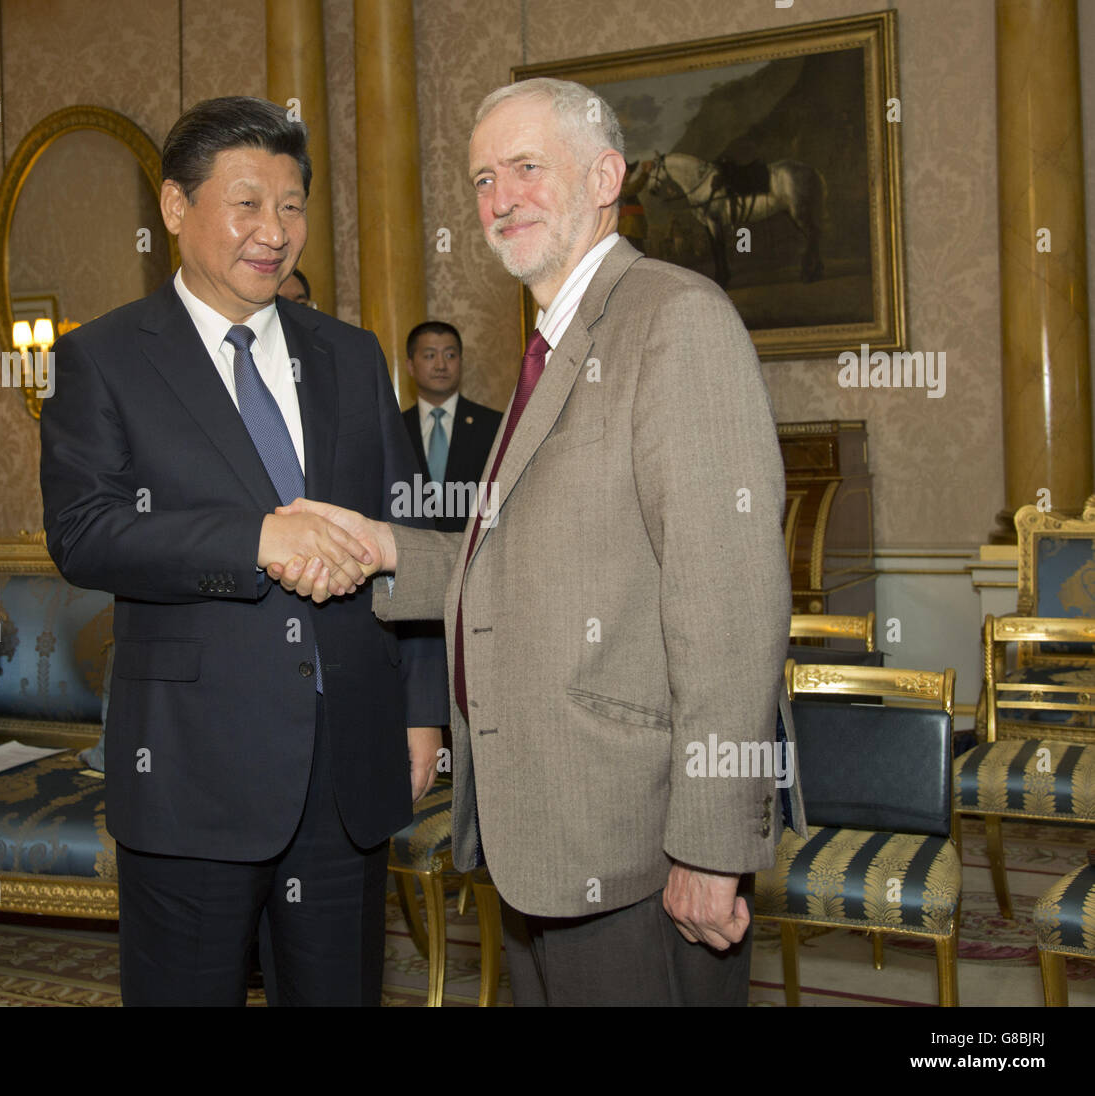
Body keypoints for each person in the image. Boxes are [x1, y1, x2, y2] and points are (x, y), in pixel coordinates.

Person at [273, 77, 807, 1006]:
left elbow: (732, 602)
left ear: (606, 176)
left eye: (526, 167)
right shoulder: (548, 346)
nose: (498, 198)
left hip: (638, 837)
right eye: (481, 179)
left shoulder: (674, 320)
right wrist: (387, 546)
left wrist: (713, 846)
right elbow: (522, 568)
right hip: (541, 836)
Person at [39, 96, 446, 1007]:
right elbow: (84, 531)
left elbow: (411, 534)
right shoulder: (103, 358)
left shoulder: (350, 354)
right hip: (190, 771)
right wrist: (255, 540)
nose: (275, 232)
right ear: (176, 209)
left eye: (293, 206)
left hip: (348, 766)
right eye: (248, 203)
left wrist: (423, 710)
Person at [401, 321, 501, 533]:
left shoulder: (494, 426)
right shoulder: (393, 429)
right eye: (429, 356)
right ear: (410, 366)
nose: (441, 365)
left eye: (450, 355)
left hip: (476, 553)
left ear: (461, 362)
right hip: (410, 554)